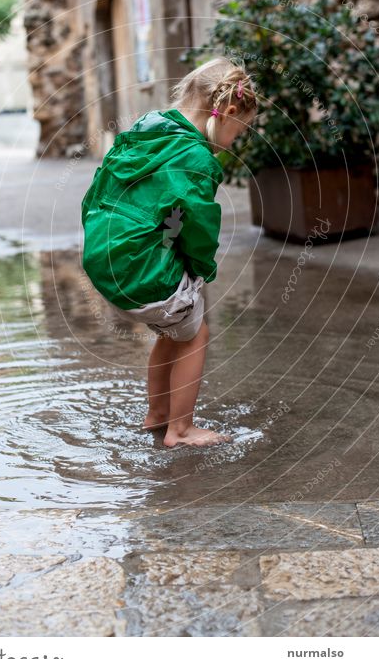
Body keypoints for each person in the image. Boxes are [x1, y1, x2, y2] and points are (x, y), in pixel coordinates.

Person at [81, 57, 258, 447]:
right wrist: (201, 268)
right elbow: (198, 226)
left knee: (173, 330)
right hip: (142, 269)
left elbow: (98, 191)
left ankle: (156, 414)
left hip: (105, 259)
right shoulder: (197, 158)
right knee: (195, 334)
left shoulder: (146, 131)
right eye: (240, 130)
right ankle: (180, 430)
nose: (235, 141)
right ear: (226, 113)